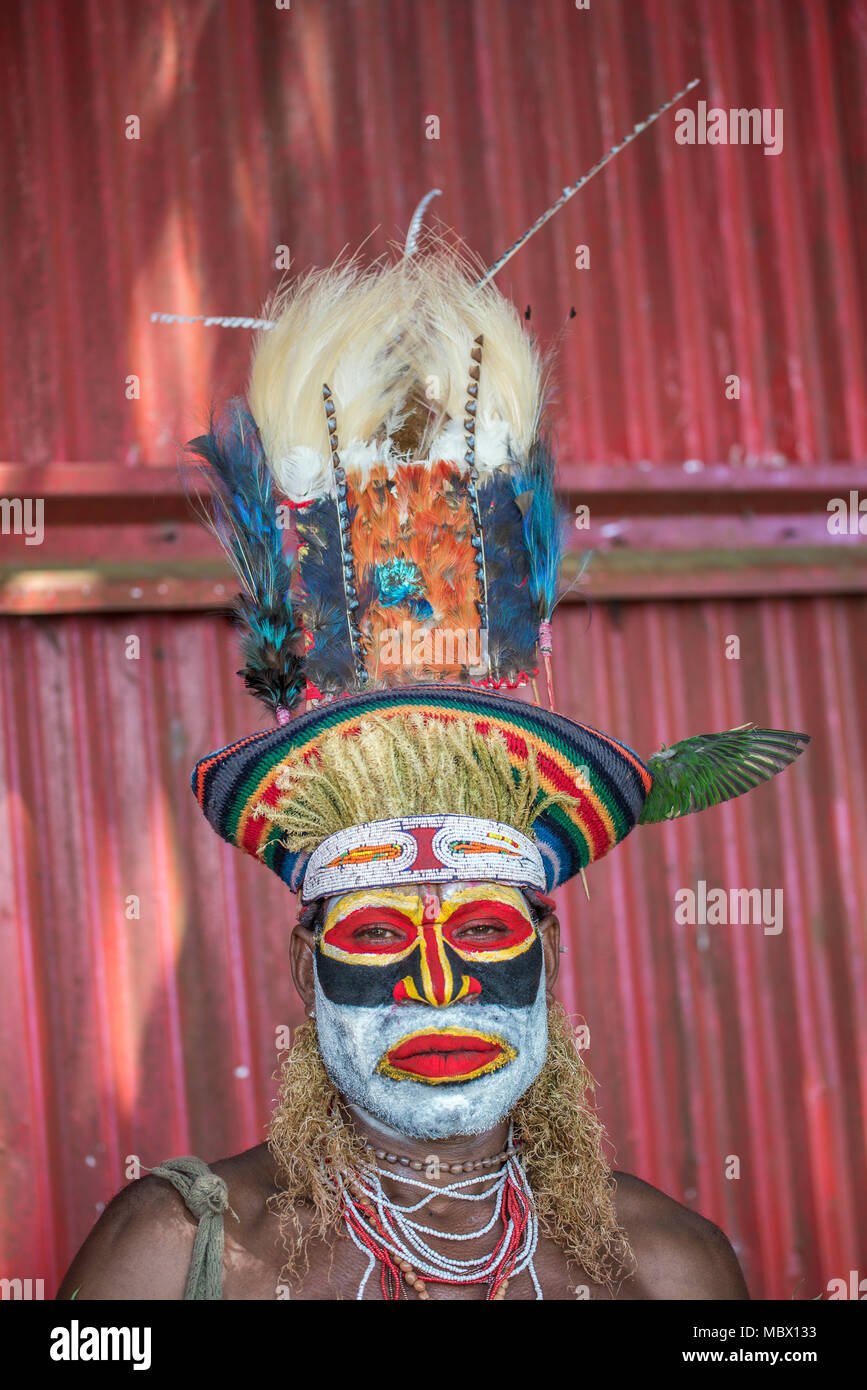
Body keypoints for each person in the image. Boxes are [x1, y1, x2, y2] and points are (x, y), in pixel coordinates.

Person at [58, 186, 807, 1302]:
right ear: (303, 964)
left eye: (489, 925)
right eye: (372, 932)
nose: (441, 983)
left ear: (550, 962)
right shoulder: (174, 1257)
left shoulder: (672, 1271)